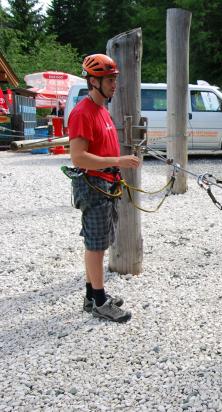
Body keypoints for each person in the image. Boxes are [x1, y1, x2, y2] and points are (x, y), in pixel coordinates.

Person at [69, 54, 140, 323]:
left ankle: (91, 295)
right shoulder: (82, 113)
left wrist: (116, 168)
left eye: (114, 79)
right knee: (96, 245)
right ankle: (99, 301)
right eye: (109, 80)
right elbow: (78, 157)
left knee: (98, 243)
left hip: (107, 183)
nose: (114, 85)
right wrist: (117, 161)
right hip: (94, 184)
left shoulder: (102, 110)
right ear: (93, 81)